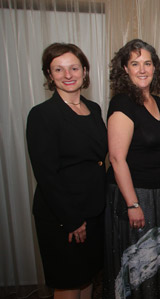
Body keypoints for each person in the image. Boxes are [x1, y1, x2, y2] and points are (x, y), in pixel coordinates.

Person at [26, 43, 107, 299]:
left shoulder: (93, 108)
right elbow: (46, 174)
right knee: (68, 282)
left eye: (73, 68)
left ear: (84, 71)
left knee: (87, 277)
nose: (68, 75)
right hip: (62, 217)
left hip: (93, 210)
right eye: (58, 69)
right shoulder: (42, 115)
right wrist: (71, 220)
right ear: (49, 75)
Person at [104, 39, 160, 298]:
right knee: (136, 266)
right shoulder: (123, 103)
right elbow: (116, 158)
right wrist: (133, 204)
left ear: (155, 67)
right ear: (125, 69)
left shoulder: (158, 100)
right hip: (135, 195)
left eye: (147, 63)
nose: (142, 69)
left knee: (158, 262)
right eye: (135, 64)